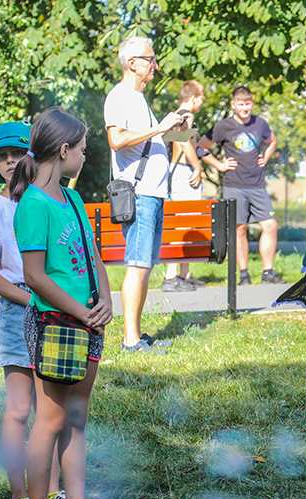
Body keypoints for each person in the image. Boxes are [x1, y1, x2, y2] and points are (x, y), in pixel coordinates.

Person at [10, 107, 117, 499]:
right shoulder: (32, 205)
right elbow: (34, 277)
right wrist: (79, 310)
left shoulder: (72, 199)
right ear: (64, 149)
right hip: (56, 324)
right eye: (83, 150)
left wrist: (106, 299)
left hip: (88, 322)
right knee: (49, 421)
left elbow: (92, 257)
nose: (86, 158)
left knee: (75, 416)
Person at [0, 121, 66, 499]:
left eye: (16, 153)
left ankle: (52, 492)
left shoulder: (48, 200)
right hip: (18, 310)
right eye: (1, 158)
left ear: (32, 155)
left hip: (56, 310)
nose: (10, 162)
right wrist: (33, 298)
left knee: (53, 408)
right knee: (18, 410)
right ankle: (18, 497)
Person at [105, 36, 186, 354]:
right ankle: (130, 340)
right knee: (137, 265)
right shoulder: (120, 96)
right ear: (132, 62)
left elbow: (147, 141)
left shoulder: (138, 99)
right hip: (139, 193)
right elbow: (117, 140)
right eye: (151, 59)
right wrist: (160, 128)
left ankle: (137, 334)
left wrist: (177, 129)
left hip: (153, 193)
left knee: (146, 265)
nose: (156, 65)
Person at [199, 86, 284, 286]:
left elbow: (272, 141)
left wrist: (267, 157)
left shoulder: (260, 123)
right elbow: (200, 147)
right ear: (233, 104)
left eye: (248, 103)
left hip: (257, 184)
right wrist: (219, 165)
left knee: (270, 226)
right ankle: (244, 274)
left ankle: (268, 273)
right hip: (234, 184)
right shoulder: (223, 126)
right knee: (239, 229)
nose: (244, 107)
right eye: (240, 103)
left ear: (252, 103)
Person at [162, 80, 207, 292]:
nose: (203, 102)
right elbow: (182, 140)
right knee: (183, 225)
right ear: (193, 98)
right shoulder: (187, 115)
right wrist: (197, 167)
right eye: (202, 98)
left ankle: (184, 274)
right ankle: (171, 277)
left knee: (186, 224)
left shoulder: (178, 114)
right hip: (183, 170)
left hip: (175, 172)